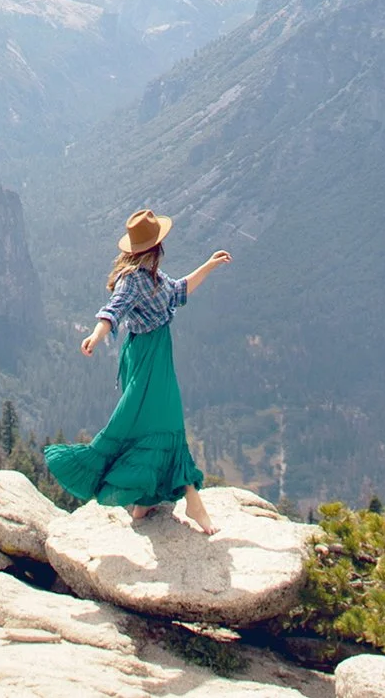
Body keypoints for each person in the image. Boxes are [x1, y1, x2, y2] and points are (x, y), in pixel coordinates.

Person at [43, 208, 232, 533]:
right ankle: (191, 497)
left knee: (148, 423)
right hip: (147, 357)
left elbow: (180, 291)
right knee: (167, 419)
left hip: (153, 352)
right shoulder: (133, 280)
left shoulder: (155, 277)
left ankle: (144, 501)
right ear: (156, 247)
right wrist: (96, 335)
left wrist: (209, 265)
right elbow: (112, 311)